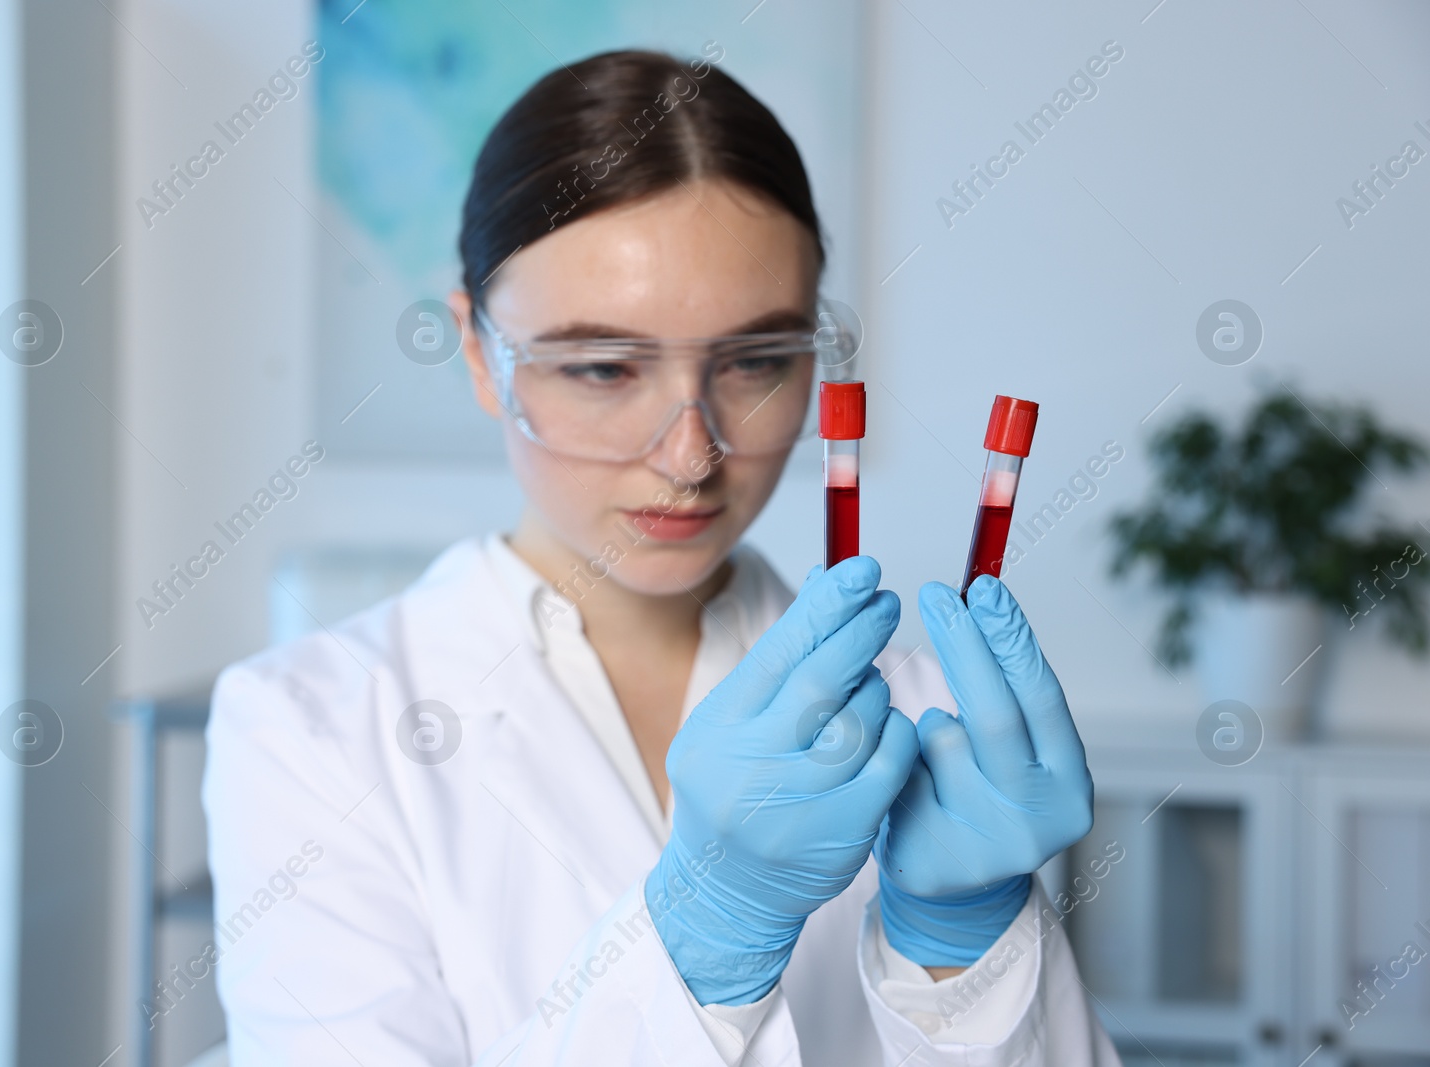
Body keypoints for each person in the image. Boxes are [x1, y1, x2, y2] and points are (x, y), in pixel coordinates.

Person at [203, 49, 1121, 1065]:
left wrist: (967, 952)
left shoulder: (929, 707)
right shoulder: (310, 724)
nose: (690, 453)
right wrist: (703, 933)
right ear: (476, 351)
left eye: (757, 361)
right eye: (602, 366)